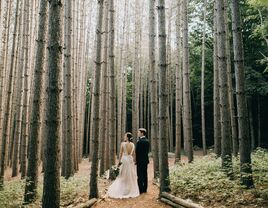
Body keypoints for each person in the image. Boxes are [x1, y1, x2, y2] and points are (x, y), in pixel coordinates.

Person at [107, 132, 139, 199]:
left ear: (127, 137)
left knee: (122, 174)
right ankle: (129, 189)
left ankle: (123, 189)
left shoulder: (123, 144)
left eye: (125, 136)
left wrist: (119, 161)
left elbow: (121, 153)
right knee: (130, 175)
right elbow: (134, 153)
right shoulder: (133, 144)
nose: (124, 137)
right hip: (130, 159)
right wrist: (134, 160)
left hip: (124, 159)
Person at [135, 128, 150, 194]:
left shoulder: (139, 141)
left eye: (138, 132)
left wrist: (136, 160)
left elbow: (137, 152)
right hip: (145, 160)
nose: (138, 133)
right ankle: (145, 189)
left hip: (139, 160)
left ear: (142, 133)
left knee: (139, 175)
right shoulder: (147, 141)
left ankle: (140, 189)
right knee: (145, 174)